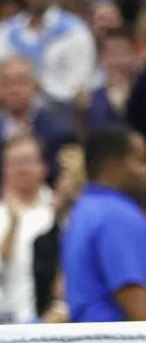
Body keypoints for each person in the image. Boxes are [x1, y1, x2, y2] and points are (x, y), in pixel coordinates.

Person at [63, 124, 146, 323]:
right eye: (141, 161)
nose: (144, 171)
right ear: (113, 166)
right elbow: (133, 300)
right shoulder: (117, 214)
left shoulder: (84, 208)